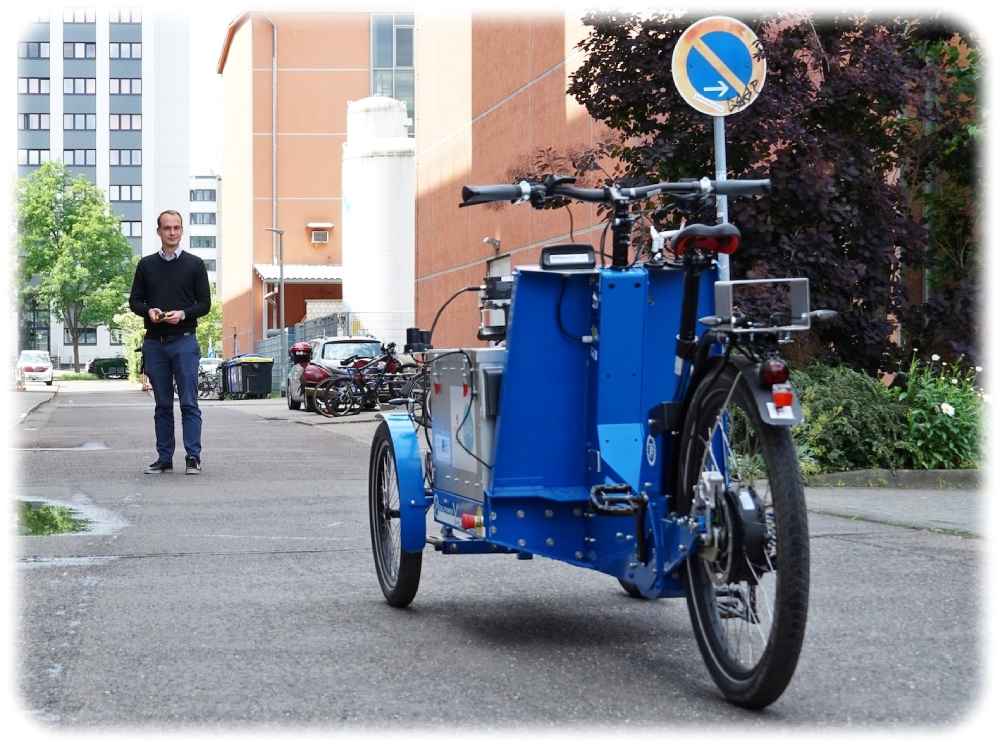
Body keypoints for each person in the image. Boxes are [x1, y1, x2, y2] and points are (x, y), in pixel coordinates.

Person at [129, 210, 211, 474]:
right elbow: (135, 301)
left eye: (176, 228)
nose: (172, 232)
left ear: (182, 231)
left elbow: (205, 304)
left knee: (189, 401)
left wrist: (184, 314)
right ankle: (164, 458)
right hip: (155, 342)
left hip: (184, 341)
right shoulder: (146, 265)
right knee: (162, 404)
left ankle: (193, 457)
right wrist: (149, 311)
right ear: (159, 232)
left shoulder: (195, 265)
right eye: (167, 228)